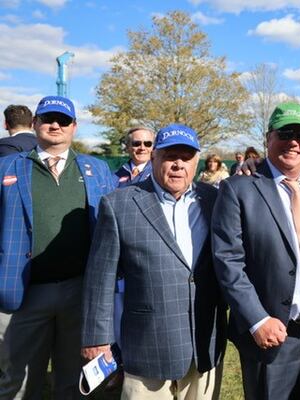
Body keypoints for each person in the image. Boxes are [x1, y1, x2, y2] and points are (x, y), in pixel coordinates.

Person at [81, 124, 226, 400]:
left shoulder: (214, 199)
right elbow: (100, 278)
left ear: (197, 161)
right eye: (170, 156)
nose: (178, 165)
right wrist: (96, 338)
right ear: (155, 157)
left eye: (186, 157)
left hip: (203, 343)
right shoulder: (119, 205)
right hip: (147, 346)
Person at [212, 103, 300, 399]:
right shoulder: (239, 188)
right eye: (285, 133)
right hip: (270, 335)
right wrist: (257, 319)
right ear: (269, 137)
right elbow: (227, 261)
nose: (294, 142)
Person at [0, 95, 115, 399]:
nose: (55, 125)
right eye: (48, 119)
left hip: (79, 293)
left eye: (63, 120)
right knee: (17, 383)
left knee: (74, 383)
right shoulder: (7, 168)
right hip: (23, 295)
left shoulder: (97, 169)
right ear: (35, 123)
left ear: (74, 127)